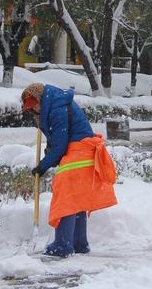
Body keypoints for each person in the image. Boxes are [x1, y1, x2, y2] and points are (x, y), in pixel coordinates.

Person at [22, 83, 118, 258]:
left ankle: (63, 245)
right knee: (77, 198)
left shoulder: (56, 108)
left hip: (79, 152)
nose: (34, 109)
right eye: (31, 107)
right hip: (84, 151)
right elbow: (59, 138)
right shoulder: (55, 102)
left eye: (34, 104)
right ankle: (78, 243)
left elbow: (60, 144)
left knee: (66, 196)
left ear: (40, 98)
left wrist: (42, 166)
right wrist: (50, 151)